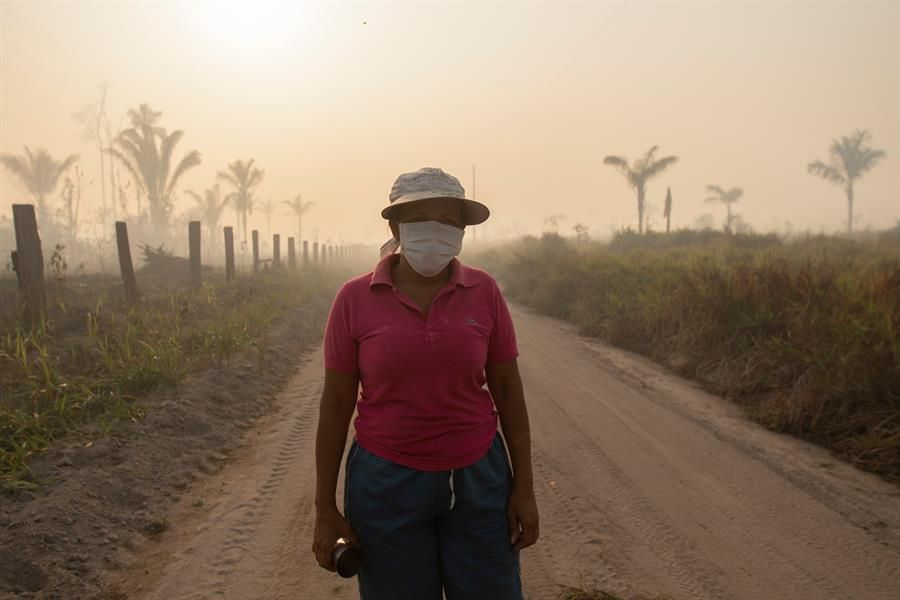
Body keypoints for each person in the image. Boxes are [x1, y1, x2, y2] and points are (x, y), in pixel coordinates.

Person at [312, 167, 539, 600]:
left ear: (463, 231)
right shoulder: (354, 300)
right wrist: (324, 507)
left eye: (450, 221)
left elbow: (508, 391)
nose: (437, 232)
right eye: (421, 219)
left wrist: (524, 488)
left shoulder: (484, 291)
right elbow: (336, 405)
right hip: (385, 484)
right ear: (395, 226)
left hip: (479, 480)